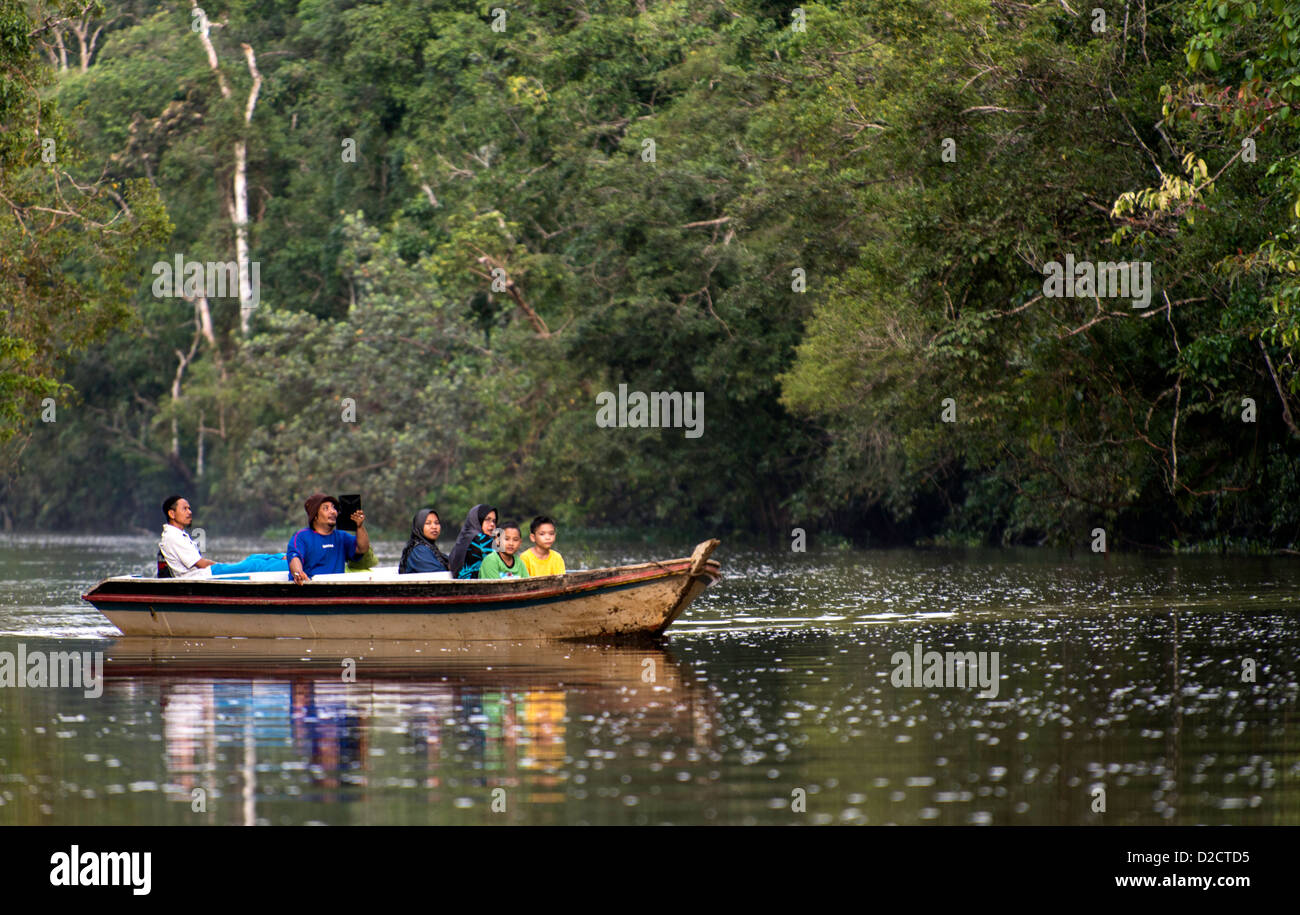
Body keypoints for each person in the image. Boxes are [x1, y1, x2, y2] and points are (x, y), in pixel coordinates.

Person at [158, 495, 287, 578]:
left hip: (208, 572)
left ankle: (285, 558)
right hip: (204, 575)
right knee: (254, 565)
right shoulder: (173, 536)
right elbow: (201, 564)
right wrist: (222, 565)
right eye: (184, 509)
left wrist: (224, 566)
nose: (189, 512)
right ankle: (289, 565)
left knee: (254, 558)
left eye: (189, 508)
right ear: (172, 514)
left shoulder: (178, 534)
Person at [287, 492, 369, 584]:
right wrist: (298, 573)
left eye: (334, 507)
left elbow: (362, 549)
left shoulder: (342, 536)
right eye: (326, 508)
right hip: (309, 586)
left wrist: (359, 526)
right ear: (315, 516)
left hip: (337, 589)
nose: (333, 511)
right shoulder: (301, 536)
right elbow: (294, 557)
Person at [448, 504, 497, 579]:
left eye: (494, 521)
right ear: (478, 520)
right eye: (487, 519)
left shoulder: (464, 538)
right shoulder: (481, 538)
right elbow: (501, 561)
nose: (492, 524)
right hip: (477, 585)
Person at [398, 508, 451, 574]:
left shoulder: (431, 548)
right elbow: (438, 572)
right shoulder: (419, 550)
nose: (434, 527)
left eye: (437, 523)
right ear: (419, 526)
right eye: (428, 523)